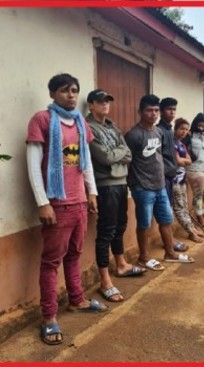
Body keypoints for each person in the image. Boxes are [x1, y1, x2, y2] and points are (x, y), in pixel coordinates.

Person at [26, 73, 108, 345]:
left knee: (74, 254)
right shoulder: (43, 120)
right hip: (57, 205)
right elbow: (33, 164)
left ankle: (77, 300)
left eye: (74, 90)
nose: (71, 95)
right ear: (52, 94)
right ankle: (49, 317)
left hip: (79, 202)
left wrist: (92, 192)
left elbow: (85, 164)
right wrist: (43, 202)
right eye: (64, 90)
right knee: (51, 262)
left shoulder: (81, 123)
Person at [86, 89, 147, 303]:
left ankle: (121, 264)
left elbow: (128, 153)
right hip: (105, 185)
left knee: (120, 225)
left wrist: (117, 154)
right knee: (106, 230)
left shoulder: (112, 126)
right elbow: (104, 157)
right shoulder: (88, 128)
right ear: (91, 105)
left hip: (121, 183)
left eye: (107, 102)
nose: (105, 105)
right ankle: (104, 280)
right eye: (100, 102)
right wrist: (118, 154)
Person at [125, 94, 194, 271]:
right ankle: (143, 257)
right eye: (149, 110)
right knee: (144, 224)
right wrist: (134, 185)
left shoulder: (159, 132)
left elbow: (161, 156)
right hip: (143, 188)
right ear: (140, 111)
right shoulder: (133, 135)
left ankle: (169, 253)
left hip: (160, 185)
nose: (153, 114)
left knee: (166, 220)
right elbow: (127, 162)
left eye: (156, 110)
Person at [157, 97, 188, 252]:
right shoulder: (159, 130)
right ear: (162, 111)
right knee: (166, 212)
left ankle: (170, 239)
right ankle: (169, 241)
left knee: (169, 209)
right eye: (169, 109)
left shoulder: (169, 129)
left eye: (174, 109)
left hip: (171, 176)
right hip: (162, 177)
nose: (172, 112)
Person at [172, 117, 204, 242]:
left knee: (185, 206)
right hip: (174, 180)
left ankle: (192, 229)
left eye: (186, 129)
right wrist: (184, 161)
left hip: (181, 179)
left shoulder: (181, 144)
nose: (184, 132)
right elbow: (179, 161)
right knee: (179, 207)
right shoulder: (172, 143)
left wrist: (184, 161)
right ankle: (191, 232)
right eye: (181, 129)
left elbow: (188, 160)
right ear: (175, 129)